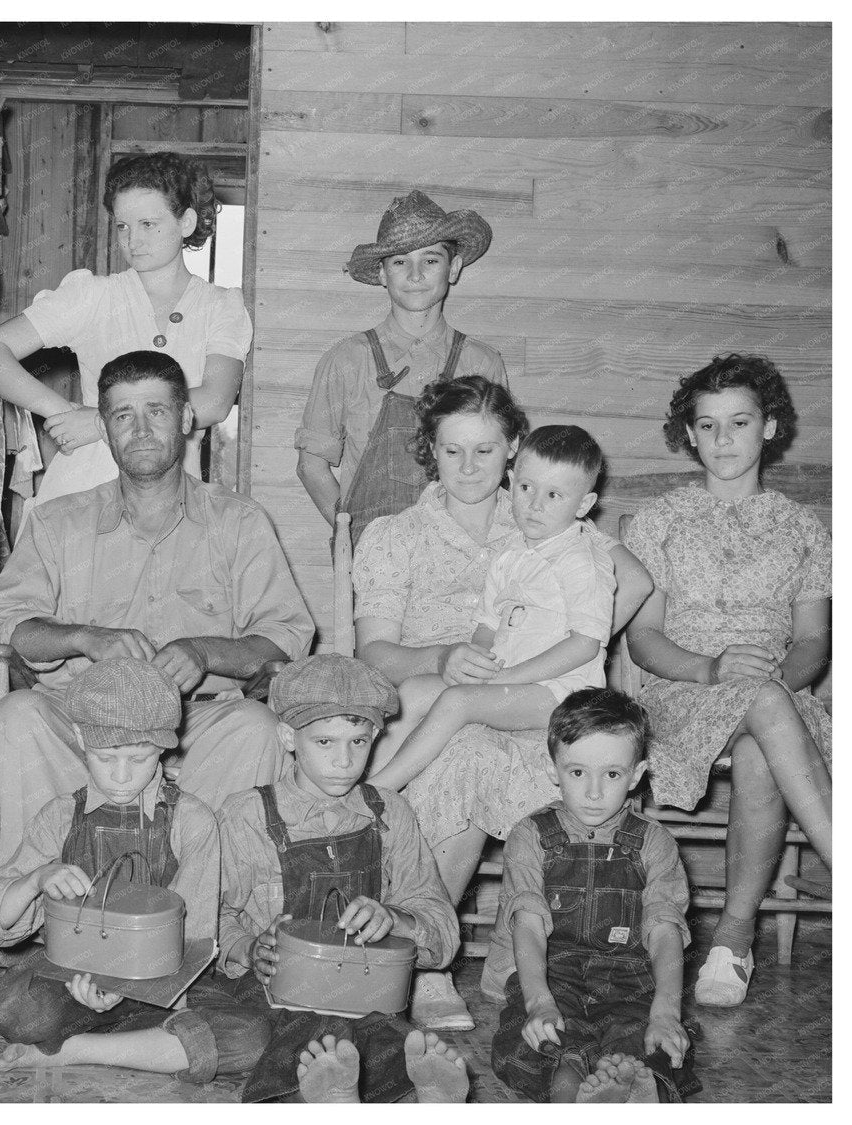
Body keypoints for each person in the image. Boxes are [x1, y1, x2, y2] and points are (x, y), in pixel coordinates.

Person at [351, 376, 652, 1031]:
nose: (468, 468)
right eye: (452, 450)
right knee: (465, 744)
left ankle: (494, 960)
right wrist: (440, 656)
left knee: (520, 751)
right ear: (430, 449)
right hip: (429, 704)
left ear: (513, 448)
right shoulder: (394, 535)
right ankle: (429, 963)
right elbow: (374, 653)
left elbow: (633, 580)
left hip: (535, 703)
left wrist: (573, 652)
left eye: (485, 452)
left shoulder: (546, 515)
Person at [0, 350, 314, 873]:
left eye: (156, 411)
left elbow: (286, 636)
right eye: (122, 415)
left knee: (255, 725)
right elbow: (4, 626)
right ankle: (29, 904)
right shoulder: (57, 521)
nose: (140, 429)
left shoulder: (239, 522)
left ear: (184, 419)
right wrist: (82, 638)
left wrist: (205, 652)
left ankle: (208, 913)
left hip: (194, 726)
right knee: (17, 717)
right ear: (105, 429)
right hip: (81, 723)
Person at [0, 659, 267, 1085]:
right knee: (22, 1011)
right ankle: (131, 1041)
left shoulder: (193, 820)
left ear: (165, 747)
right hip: (74, 975)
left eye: (138, 758)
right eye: (104, 757)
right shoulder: (61, 815)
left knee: (251, 1037)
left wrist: (125, 989)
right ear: (80, 738)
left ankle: (72, 1048)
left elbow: (194, 940)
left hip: (166, 983)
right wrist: (35, 880)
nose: (121, 775)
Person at [623, 354, 831, 1008]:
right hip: (682, 692)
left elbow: (813, 642)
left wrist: (772, 677)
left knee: (759, 745)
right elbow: (644, 638)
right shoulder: (657, 520)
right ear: (688, 434)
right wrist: (713, 669)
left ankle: (731, 938)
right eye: (707, 425)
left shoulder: (804, 528)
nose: (723, 440)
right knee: (764, 717)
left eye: (739, 422)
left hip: (776, 697)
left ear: (769, 426)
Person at [216, 655, 468, 1104]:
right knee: (279, 1038)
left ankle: (362, 1095)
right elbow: (211, 918)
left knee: (377, 1039)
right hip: (274, 997)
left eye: (358, 741)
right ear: (288, 737)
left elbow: (443, 936)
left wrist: (396, 919)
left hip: (362, 995)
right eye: (325, 742)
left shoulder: (389, 813)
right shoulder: (248, 816)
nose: (344, 760)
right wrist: (249, 947)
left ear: (375, 736)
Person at [0, 152, 251, 507]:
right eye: (123, 226)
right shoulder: (92, 295)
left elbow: (214, 401)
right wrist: (62, 413)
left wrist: (102, 420)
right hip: (84, 491)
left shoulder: (220, 306)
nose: (133, 240)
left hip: (174, 499)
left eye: (148, 224)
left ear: (187, 222)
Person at [369, 425, 614, 792]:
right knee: (414, 692)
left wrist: (507, 678)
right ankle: (367, 781)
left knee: (457, 702)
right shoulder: (512, 551)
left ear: (583, 505)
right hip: (508, 681)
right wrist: (477, 663)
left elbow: (585, 645)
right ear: (511, 481)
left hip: (563, 694)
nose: (534, 505)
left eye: (553, 495)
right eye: (526, 488)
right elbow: (487, 624)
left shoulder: (582, 560)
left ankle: (377, 792)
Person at [489, 687, 699, 1103]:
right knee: (531, 1037)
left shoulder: (654, 843)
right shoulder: (530, 836)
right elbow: (528, 925)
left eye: (613, 774)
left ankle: (636, 1084)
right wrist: (538, 1002)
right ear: (553, 770)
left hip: (630, 977)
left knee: (655, 1044)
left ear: (637, 775)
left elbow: (664, 931)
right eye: (578, 772)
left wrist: (665, 1014)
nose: (594, 792)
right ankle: (568, 1082)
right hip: (552, 971)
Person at [296, 190, 505, 542]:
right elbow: (311, 465)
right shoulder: (346, 360)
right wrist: (353, 535)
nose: (416, 274)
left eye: (431, 260)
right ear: (381, 273)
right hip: (372, 562)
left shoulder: (482, 363)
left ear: (453, 268)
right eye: (399, 262)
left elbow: (498, 464)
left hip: (459, 556)